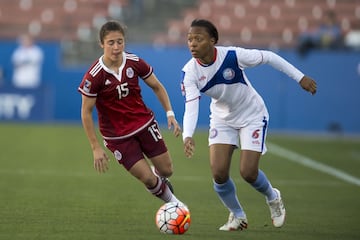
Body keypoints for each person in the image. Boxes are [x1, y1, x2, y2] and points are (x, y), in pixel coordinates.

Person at [181, 19, 317, 231]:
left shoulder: (233, 56)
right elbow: (191, 104)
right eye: (189, 39)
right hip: (222, 119)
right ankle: (238, 216)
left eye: (198, 39)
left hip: (251, 115)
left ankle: (273, 198)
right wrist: (187, 135)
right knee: (218, 173)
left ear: (213, 41)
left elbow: (270, 57)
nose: (192, 44)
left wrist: (299, 77)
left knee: (248, 172)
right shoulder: (190, 72)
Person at [78, 20, 183, 205]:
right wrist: (95, 147)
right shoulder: (94, 75)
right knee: (149, 180)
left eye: (120, 42)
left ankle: (160, 179)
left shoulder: (134, 62)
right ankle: (176, 206)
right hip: (118, 137)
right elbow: (86, 112)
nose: (116, 47)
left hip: (144, 124)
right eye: (111, 43)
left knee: (166, 171)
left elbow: (157, 86)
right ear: (102, 44)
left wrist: (170, 114)